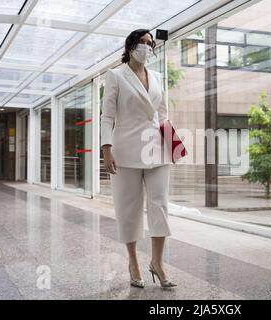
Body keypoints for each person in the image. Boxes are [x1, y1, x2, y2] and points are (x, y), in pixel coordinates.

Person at [100, 29, 176, 288]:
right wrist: (106, 148)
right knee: (129, 207)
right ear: (131, 45)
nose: (147, 46)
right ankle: (132, 261)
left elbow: (162, 115)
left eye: (150, 43)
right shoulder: (115, 75)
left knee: (160, 205)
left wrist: (172, 145)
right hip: (126, 150)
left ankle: (157, 262)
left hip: (157, 148)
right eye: (142, 42)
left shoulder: (157, 76)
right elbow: (108, 115)